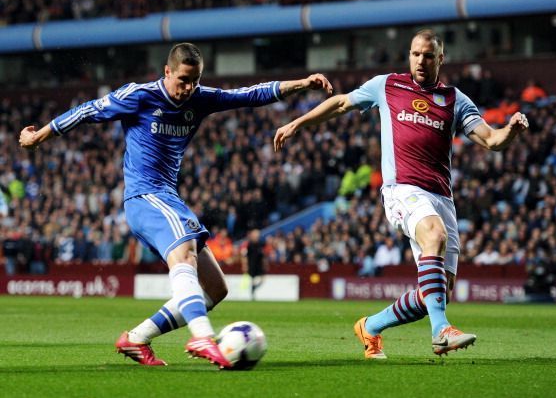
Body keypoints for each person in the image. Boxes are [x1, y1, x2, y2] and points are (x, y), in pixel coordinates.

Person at [19, 42, 333, 368]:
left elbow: (249, 95)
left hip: (169, 198)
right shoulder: (138, 95)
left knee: (215, 287)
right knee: (185, 256)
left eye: (195, 80)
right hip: (144, 197)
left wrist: (302, 84)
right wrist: (37, 137)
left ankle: (136, 338)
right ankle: (202, 336)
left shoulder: (200, 98)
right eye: (183, 80)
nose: (188, 88)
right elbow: (86, 111)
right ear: (167, 72)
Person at [274, 29, 529, 358]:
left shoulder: (455, 100)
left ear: (441, 59)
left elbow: (491, 141)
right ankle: (441, 331)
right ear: (409, 56)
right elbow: (341, 104)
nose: (421, 61)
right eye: (415, 54)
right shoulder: (387, 85)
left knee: (435, 293)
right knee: (433, 235)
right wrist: (298, 123)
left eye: (428, 55)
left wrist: (511, 130)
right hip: (402, 189)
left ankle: (371, 326)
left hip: (441, 197)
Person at [241, 228, 268, 300]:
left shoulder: (261, 244)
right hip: (251, 265)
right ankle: (252, 293)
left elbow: (264, 255)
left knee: (263, 279)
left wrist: (265, 264)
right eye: (255, 235)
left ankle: (254, 287)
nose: (257, 236)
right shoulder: (248, 245)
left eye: (257, 235)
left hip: (259, 265)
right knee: (251, 279)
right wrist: (245, 265)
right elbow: (244, 255)